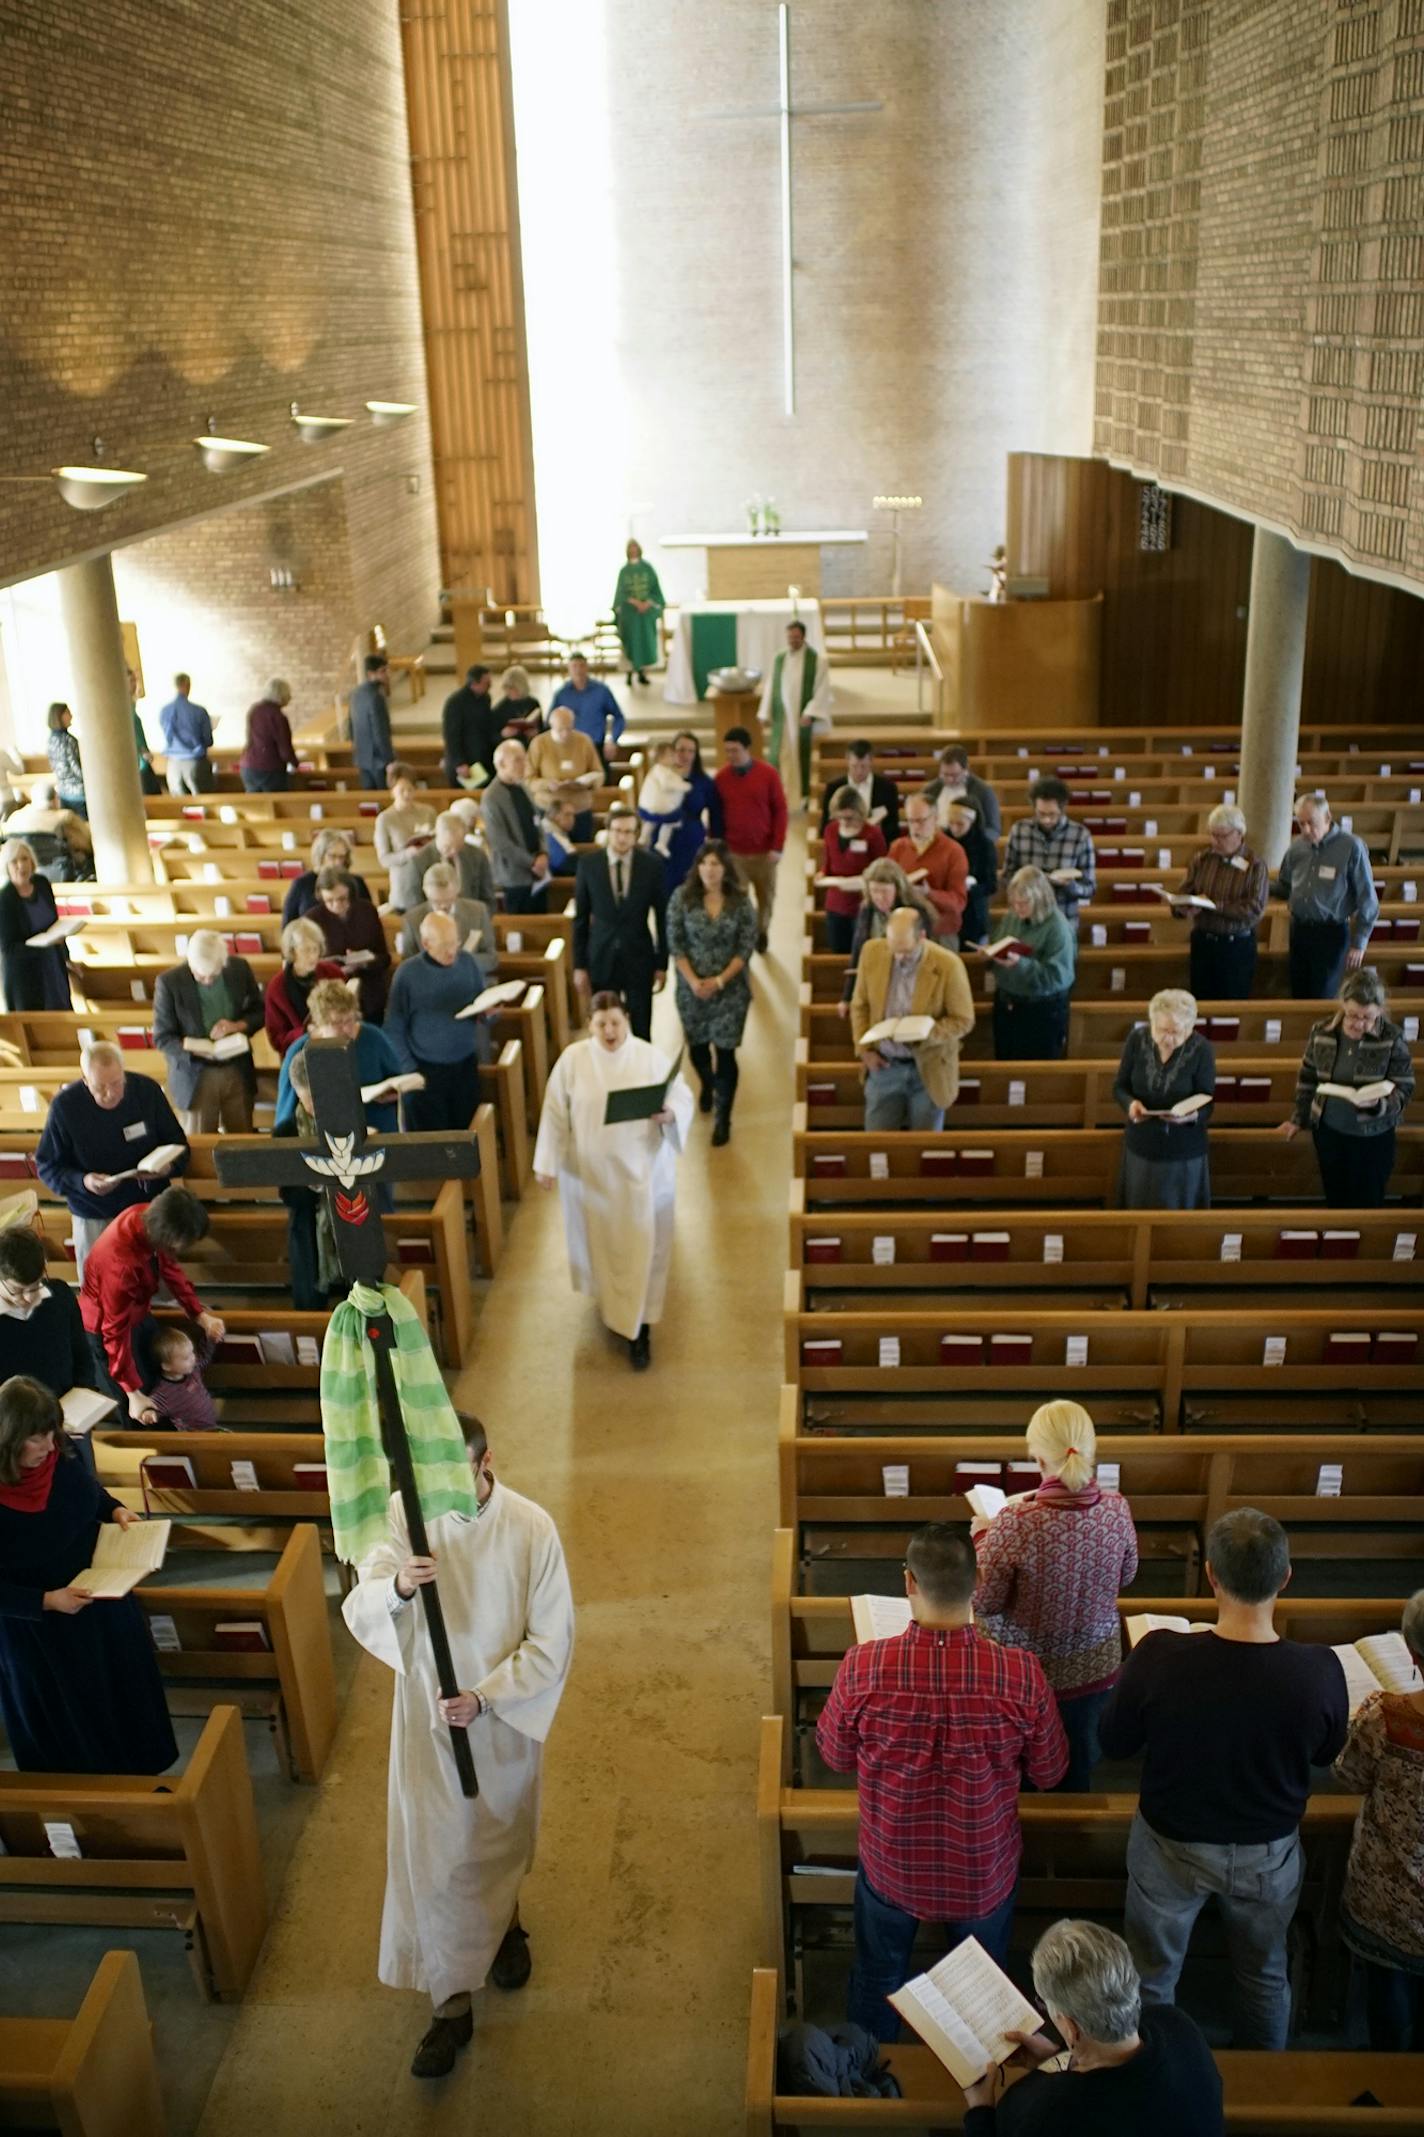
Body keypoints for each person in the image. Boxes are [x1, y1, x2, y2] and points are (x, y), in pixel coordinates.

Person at [343, 1411, 574, 2079]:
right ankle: (449, 2008)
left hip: (500, 1716)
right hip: (429, 1715)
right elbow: (368, 1587)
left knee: (496, 1841)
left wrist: (488, 1696)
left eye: (455, 1478)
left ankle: (504, 1925)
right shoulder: (405, 1511)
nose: (439, 1495)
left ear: (486, 1461)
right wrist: (401, 1584)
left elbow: (552, 1639)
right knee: (437, 1856)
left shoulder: (532, 1528)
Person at [1099, 1506, 1349, 2050]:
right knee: (1263, 1974)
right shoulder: (1318, 1670)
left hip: (1170, 1846)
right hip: (1267, 1850)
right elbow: (1329, 1753)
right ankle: (1261, 2088)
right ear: (1285, 1577)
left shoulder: (1160, 1654)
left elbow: (1114, 1743)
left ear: (1211, 1574)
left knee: (1151, 1977)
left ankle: (1155, 2073)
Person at [816, 1522, 1068, 2040]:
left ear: (909, 1583)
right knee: (981, 1987)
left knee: (878, 1975)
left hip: (893, 1864)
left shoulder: (863, 1667)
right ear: (977, 1585)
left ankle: (868, 2072)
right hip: (982, 1870)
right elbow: (1051, 1771)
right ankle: (978, 2089)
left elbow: (835, 1755)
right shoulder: (1019, 1674)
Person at [0, 1375, 178, 1774]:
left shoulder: (57, 1455)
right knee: (79, 1721)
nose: (49, 1448)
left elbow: (86, 1490)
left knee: (124, 1696)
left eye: (52, 1435)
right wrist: (46, 1601)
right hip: (44, 1632)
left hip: (102, 1600)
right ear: (7, 1440)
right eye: (36, 1439)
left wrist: (114, 1510)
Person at [973, 1402, 1139, 1791]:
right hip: (1095, 1666)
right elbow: (1127, 1576)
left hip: (1025, 1672)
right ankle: (1073, 1831)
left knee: (1022, 1771)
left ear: (1038, 1457)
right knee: (1077, 1764)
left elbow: (985, 1601)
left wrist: (983, 1535)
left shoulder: (1016, 1522)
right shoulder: (1117, 1509)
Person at [532, 992, 692, 1370]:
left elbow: (680, 1094)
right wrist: (547, 1163)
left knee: (641, 1250)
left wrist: (671, 1114)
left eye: (615, 1023)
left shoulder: (649, 1056)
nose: (609, 1031)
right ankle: (613, 1311)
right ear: (589, 1024)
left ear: (628, 1021)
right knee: (605, 1249)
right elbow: (555, 1111)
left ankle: (640, 1331)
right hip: (593, 1180)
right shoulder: (574, 1060)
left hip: (642, 1178)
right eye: (601, 1023)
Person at [957, 1919, 1224, 2135]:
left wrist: (980, 2109)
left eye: (1044, 2002)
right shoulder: (1177, 2027)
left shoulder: (1047, 2112)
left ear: (1071, 2027)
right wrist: (1055, 2056)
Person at [1333, 1588, 1424, 2051]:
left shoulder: (1386, 1717)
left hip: (1387, 1902)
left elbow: (1348, 1776)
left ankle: (1386, 2078)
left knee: (1387, 2006)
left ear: (1411, 1651)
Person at [36, 1042, 190, 1275]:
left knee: (157, 1285)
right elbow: (48, 1167)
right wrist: (83, 1181)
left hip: (148, 1206)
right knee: (100, 1288)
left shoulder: (146, 1091)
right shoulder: (65, 1106)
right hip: (94, 1211)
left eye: (117, 1084)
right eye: (100, 1087)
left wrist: (167, 1167)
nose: (110, 1094)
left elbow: (179, 1146)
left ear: (124, 1073)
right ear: (86, 1081)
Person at [79, 1188, 225, 1419]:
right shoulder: (121, 1266)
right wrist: (132, 1391)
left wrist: (198, 1313)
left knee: (159, 1386)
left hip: (138, 1313)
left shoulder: (148, 1217)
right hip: (109, 1333)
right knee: (142, 1410)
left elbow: (169, 1267)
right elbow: (114, 1332)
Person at [1278, 967, 1415, 1205]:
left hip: (1374, 1137)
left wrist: (1379, 1105)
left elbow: (1405, 1087)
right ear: (1343, 1006)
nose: (1359, 1024)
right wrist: (1298, 1118)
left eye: (1367, 1017)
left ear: (1380, 1012)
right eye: (1352, 1015)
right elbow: (1308, 1078)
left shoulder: (1392, 1037)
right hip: (1330, 1132)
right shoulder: (1322, 1032)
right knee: (1336, 1202)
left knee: (1368, 1204)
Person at [850, 906, 975, 1132]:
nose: (899, 957)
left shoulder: (948, 965)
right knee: (877, 1148)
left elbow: (963, 1019)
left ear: (922, 937)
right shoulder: (872, 952)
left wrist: (928, 1032)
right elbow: (860, 1005)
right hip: (884, 1065)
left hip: (928, 1068)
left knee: (926, 1152)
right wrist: (865, 1050)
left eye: (906, 951)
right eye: (893, 949)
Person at [667, 841, 757, 1144]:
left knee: (727, 1052)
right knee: (698, 1047)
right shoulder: (682, 898)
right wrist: (694, 981)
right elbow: (676, 943)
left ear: (725, 868)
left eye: (716, 864)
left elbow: (745, 946)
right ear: (697, 867)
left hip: (729, 990)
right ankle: (707, 1082)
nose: (710, 869)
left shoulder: (741, 902)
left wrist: (719, 981)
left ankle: (723, 1118)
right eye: (705, 863)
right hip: (691, 989)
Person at [384, 911, 490, 1132]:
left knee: (468, 1137)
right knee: (434, 1147)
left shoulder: (467, 963)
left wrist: (489, 1012)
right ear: (425, 944)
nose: (452, 951)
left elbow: (483, 1006)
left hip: (464, 1065)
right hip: (425, 1070)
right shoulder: (408, 974)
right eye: (444, 946)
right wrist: (410, 1069)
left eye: (455, 943)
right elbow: (394, 1028)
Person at [153, 929, 264, 1134]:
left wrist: (236, 1026)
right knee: (202, 1143)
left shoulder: (239, 969)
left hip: (236, 1068)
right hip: (195, 1074)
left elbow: (259, 1011)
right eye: (199, 976)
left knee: (243, 1140)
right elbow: (162, 1037)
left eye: (212, 976)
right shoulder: (169, 982)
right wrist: (191, 1049)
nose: (206, 981)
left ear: (223, 964)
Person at [1113, 988, 1215, 1209]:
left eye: (1176, 1032)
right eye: (1162, 1030)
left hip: (1183, 1151)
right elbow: (1120, 1087)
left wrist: (1190, 1116)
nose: (1168, 1038)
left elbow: (1208, 1101)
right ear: (1152, 1023)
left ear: (1189, 1028)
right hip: (1142, 1145)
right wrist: (1131, 1105)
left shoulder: (1202, 1049)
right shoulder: (1137, 1040)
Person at [573, 805, 668, 1040]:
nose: (622, 837)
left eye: (628, 832)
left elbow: (662, 917)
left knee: (642, 1027)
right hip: (602, 957)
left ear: (636, 834)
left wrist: (662, 963)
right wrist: (579, 966)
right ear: (608, 832)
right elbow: (581, 919)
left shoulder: (651, 866)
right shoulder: (589, 865)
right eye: (617, 831)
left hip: (639, 956)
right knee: (606, 1028)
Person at [1276, 794, 1379, 998]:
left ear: (1327, 817)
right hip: (1299, 930)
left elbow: (1368, 899)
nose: (1306, 830)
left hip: (1330, 933)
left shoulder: (1351, 847)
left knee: (1321, 995)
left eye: (1311, 823)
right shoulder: (1296, 847)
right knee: (1297, 993)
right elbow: (1285, 886)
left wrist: (1359, 942)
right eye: (1300, 823)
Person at [273, 978, 402, 1134]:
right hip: (326, 1136)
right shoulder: (301, 1052)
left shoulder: (373, 1038)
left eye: (350, 1020)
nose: (347, 1028)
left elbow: (398, 1079)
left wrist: (390, 1093)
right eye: (338, 1023)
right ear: (320, 1023)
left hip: (377, 1129)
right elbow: (285, 1118)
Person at [1172, 803, 1270, 1001]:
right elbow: (1184, 892)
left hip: (1236, 947)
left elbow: (1255, 908)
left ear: (1239, 833)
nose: (1215, 841)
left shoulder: (1255, 865)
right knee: (1200, 1004)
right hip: (1203, 942)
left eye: (1221, 836)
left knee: (1230, 1009)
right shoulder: (1202, 859)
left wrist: (1215, 906)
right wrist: (1182, 907)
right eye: (1212, 834)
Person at [985, 866, 1078, 1061]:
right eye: (1014, 902)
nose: (1018, 908)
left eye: (1024, 903)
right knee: (1004, 1065)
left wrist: (1022, 964)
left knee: (1035, 1074)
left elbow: (1058, 977)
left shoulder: (1057, 927)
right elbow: (999, 943)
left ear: (1040, 898)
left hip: (1041, 1011)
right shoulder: (1012, 917)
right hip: (1008, 1003)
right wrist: (991, 954)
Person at [0, 1225, 96, 1401]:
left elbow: (83, 1359)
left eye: (35, 1286)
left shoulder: (60, 1295)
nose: (29, 1298)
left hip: (65, 1414)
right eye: (18, 1290)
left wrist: (83, 1397)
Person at [714, 727, 787, 954]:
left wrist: (777, 846)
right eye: (727, 751)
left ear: (747, 749)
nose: (730, 756)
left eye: (735, 750)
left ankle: (762, 930)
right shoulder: (721, 778)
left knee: (766, 898)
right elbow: (716, 816)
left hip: (764, 852)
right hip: (735, 852)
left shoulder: (768, 774)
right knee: (738, 900)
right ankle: (745, 938)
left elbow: (781, 811)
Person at [838, 859, 938, 1014]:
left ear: (897, 889)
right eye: (874, 891)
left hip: (909, 983)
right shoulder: (867, 910)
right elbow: (858, 952)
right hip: (876, 981)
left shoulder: (915, 912)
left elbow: (927, 955)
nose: (879, 897)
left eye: (884, 891)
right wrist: (847, 997)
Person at [759, 618, 831, 809]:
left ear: (804, 637)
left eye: (796, 637)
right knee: (780, 756)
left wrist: (810, 712)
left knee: (801, 757)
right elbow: (770, 686)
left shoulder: (816, 660)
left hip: (802, 720)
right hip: (783, 718)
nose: (793, 641)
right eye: (790, 637)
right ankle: (780, 797)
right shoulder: (779, 658)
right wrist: (765, 713)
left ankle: (804, 797)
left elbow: (822, 689)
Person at [1005, 778, 1097, 927]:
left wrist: (1070, 886)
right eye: (1041, 814)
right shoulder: (1019, 830)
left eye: (1053, 814)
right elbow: (1008, 875)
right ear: (1034, 808)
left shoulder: (1080, 835)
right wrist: (1026, 883)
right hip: (1027, 918)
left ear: (1062, 809)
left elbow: (1090, 887)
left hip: (1064, 918)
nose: (1047, 820)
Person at [0, 836, 73, 1012]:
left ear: (32, 861)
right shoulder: (5, 899)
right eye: (14, 862)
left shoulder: (42, 884)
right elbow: (9, 950)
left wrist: (66, 958)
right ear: (7, 868)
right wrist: (42, 945)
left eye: (25, 859)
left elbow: (55, 925)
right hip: (25, 977)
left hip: (53, 966)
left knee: (63, 1019)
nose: (21, 866)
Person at [311, 866, 391, 1021]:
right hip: (332, 999)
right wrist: (337, 969)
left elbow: (385, 958)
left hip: (370, 995)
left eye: (342, 899)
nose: (336, 905)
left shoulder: (367, 910)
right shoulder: (313, 919)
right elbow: (310, 967)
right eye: (329, 900)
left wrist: (366, 962)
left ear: (351, 893)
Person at [888, 791, 968, 944]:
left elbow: (958, 902)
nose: (915, 827)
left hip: (941, 931)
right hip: (906, 931)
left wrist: (929, 893)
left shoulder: (953, 851)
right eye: (910, 821)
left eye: (921, 821)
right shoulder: (898, 847)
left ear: (936, 818)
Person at [482, 740, 549, 914]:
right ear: (501, 764)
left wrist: (543, 853)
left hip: (538, 872)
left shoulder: (523, 787)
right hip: (514, 877)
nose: (524, 765)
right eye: (517, 760)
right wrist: (532, 862)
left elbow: (537, 823)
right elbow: (500, 842)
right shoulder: (491, 797)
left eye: (524, 759)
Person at [820, 787, 887, 956]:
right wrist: (821, 876)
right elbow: (827, 866)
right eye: (840, 817)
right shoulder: (830, 830)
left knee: (862, 954)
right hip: (835, 903)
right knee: (838, 952)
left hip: (862, 903)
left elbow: (881, 871)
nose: (844, 822)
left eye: (849, 818)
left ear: (860, 813)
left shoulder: (872, 834)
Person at [397, 863, 497, 976]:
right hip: (431, 984)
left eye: (449, 900)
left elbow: (491, 959)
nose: (443, 906)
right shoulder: (412, 919)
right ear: (425, 891)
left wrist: (461, 962)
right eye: (436, 902)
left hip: (471, 980)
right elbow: (409, 965)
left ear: (458, 889)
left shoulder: (478, 911)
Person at [263, 917, 342, 1057]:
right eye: (306, 950)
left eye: (315, 949)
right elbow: (276, 1039)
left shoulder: (333, 973)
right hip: (300, 1055)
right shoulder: (276, 988)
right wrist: (306, 1033)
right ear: (293, 952)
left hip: (337, 1046)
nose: (313, 956)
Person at [656, 731, 724, 891]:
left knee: (691, 889)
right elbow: (645, 805)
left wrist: (717, 848)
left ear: (695, 754)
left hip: (691, 839)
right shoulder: (660, 776)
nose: (685, 755)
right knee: (664, 890)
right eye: (680, 750)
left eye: (690, 751)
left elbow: (716, 816)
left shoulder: (704, 782)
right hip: (663, 838)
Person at [526, 701, 602, 841]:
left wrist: (587, 783)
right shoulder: (539, 743)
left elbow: (599, 773)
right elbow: (528, 779)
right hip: (549, 809)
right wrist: (546, 784)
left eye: (569, 729)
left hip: (579, 808)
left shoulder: (584, 741)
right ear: (551, 726)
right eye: (560, 730)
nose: (565, 734)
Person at [3, 776, 94, 881]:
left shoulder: (14, 818)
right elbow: (86, 843)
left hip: (22, 875)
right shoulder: (65, 818)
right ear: (56, 799)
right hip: (59, 873)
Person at [375, 764, 438, 912]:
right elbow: (384, 859)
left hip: (430, 878)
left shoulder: (428, 811)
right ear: (392, 792)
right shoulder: (385, 819)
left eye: (410, 789)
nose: (407, 794)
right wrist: (407, 854)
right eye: (401, 790)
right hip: (405, 885)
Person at [279, 829, 374, 924]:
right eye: (332, 856)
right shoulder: (302, 883)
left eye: (342, 857)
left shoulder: (357, 882)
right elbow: (288, 924)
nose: (338, 862)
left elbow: (368, 918)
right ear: (320, 855)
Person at [549, 652, 624, 764]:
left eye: (581, 666)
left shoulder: (601, 691)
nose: (578, 670)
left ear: (587, 668)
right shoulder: (562, 694)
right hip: (569, 746)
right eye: (574, 666)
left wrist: (612, 740)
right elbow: (550, 721)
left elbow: (619, 718)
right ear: (568, 669)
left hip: (595, 745)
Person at [821, 739, 899, 844]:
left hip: (876, 845)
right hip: (844, 846)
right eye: (854, 766)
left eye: (863, 766)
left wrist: (874, 834)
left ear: (871, 761)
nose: (859, 772)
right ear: (847, 761)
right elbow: (826, 827)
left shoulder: (887, 788)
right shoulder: (833, 788)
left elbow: (893, 828)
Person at [944, 799, 998, 949]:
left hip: (973, 912)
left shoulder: (985, 845)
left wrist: (969, 888)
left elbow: (991, 885)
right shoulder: (943, 841)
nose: (954, 828)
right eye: (951, 823)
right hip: (947, 912)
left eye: (960, 824)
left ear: (972, 822)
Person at [612, 537, 666, 686]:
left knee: (644, 642)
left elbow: (656, 590)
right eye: (631, 548)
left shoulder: (648, 568)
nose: (633, 551)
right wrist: (635, 602)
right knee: (630, 642)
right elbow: (620, 593)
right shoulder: (624, 571)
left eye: (635, 548)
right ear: (627, 551)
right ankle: (629, 673)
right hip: (630, 613)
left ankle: (642, 673)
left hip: (645, 614)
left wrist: (647, 603)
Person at [146, 1323, 218, 1431]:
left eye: (192, 1353)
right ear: (167, 1365)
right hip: (193, 1435)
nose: (193, 1358)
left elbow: (205, 1358)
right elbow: (150, 1406)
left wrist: (211, 1339)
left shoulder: (193, 1369)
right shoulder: (164, 1393)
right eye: (186, 1358)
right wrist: (148, 1413)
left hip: (211, 1425)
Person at [925, 742, 1002, 842]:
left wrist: (975, 839)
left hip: (970, 845)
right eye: (944, 774)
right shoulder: (930, 790)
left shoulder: (983, 791)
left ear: (966, 769)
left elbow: (993, 829)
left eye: (954, 775)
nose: (949, 779)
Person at [423, 809, 497, 911]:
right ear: (437, 835)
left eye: (458, 846)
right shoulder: (419, 860)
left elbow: (488, 899)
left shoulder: (477, 856)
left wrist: (480, 919)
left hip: (470, 920)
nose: (453, 852)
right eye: (447, 847)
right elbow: (417, 907)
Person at [441, 664, 501, 788]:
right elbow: (451, 736)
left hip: (482, 759)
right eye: (487, 683)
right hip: (465, 762)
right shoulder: (455, 703)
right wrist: (459, 763)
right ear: (474, 683)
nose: (490, 686)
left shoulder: (485, 698)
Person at [635, 742, 692, 866]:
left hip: (656, 805)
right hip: (658, 806)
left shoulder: (665, 770)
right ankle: (652, 840)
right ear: (661, 758)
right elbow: (667, 785)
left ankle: (652, 840)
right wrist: (684, 786)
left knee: (657, 822)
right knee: (668, 822)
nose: (673, 758)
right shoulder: (660, 770)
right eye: (670, 756)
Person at [238, 678, 298, 791]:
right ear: (281, 695)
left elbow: (250, 738)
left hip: (248, 767)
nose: (290, 697)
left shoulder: (254, 710)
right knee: (278, 805)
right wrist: (295, 763)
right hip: (269, 769)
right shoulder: (278, 717)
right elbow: (285, 750)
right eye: (288, 694)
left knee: (257, 807)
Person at [158, 672, 213, 794]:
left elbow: (167, 735)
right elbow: (208, 740)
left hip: (173, 766)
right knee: (202, 804)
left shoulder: (164, 711)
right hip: (195, 764)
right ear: (187, 685)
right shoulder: (199, 711)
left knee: (180, 807)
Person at [349, 653, 395, 792]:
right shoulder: (376, 698)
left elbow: (351, 726)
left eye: (387, 669)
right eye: (382, 671)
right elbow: (380, 732)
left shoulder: (356, 693)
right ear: (370, 674)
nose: (387, 674)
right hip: (378, 760)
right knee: (384, 800)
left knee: (371, 802)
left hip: (362, 758)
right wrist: (389, 760)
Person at [45, 703, 86, 817]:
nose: (71, 715)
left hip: (63, 792)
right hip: (78, 793)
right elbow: (77, 769)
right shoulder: (68, 740)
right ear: (59, 716)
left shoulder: (51, 740)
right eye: (68, 712)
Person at [129, 668, 161, 796]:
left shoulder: (131, 705)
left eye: (135, 680)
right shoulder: (124, 708)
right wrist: (143, 751)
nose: (135, 684)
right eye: (132, 681)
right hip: (138, 764)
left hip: (143, 761)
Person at [493, 663, 542, 738]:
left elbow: (542, 728)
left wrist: (537, 732)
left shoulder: (533, 703)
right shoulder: (500, 708)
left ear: (521, 686)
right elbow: (491, 736)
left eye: (513, 688)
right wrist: (502, 734)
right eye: (507, 687)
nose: (509, 691)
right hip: (509, 746)